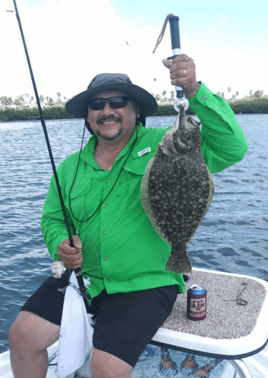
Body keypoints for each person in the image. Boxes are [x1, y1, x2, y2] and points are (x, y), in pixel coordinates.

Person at [9, 54, 248, 378]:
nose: (107, 110)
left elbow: (232, 147)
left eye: (118, 101)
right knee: (22, 336)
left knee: (105, 369)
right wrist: (60, 245)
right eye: (97, 104)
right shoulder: (68, 167)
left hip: (145, 282)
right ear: (88, 117)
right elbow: (52, 218)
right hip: (84, 278)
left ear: (136, 110)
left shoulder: (170, 143)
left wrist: (194, 90)